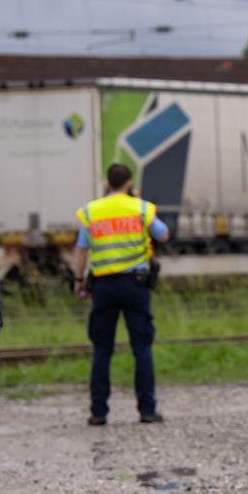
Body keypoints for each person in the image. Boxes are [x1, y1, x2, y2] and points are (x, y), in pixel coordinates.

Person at [72, 163, 170, 426]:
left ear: (107, 182)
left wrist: (78, 280)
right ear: (128, 183)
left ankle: (98, 412)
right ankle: (147, 410)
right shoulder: (139, 208)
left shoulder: (92, 211)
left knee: (102, 349)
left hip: (103, 287)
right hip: (135, 286)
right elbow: (163, 234)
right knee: (142, 348)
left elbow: (81, 250)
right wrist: (136, 201)